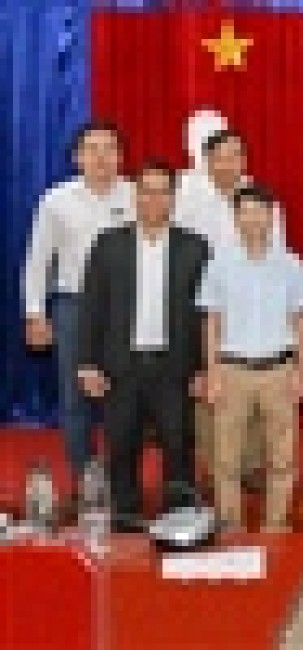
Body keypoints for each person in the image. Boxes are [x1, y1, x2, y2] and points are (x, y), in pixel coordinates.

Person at [76, 160, 210, 532]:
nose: (153, 199)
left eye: (162, 192)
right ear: (135, 195)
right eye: (146, 191)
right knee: (121, 447)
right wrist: (87, 363)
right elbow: (92, 307)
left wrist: (204, 367)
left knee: (178, 447)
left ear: (173, 197)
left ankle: (180, 522)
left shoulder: (195, 247)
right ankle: (125, 522)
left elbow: (205, 315)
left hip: (175, 367)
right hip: (121, 366)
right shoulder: (108, 244)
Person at [23, 121, 134, 507]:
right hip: (74, 306)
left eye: (110, 148)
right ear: (77, 157)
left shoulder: (137, 196)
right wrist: (35, 314)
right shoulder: (56, 201)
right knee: (76, 400)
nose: (102, 157)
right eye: (92, 149)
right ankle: (86, 485)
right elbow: (38, 261)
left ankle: (122, 485)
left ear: (121, 156)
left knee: (124, 398)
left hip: (126, 309)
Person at [197, 185, 303, 533]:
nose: (252, 219)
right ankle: (230, 527)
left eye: (259, 211)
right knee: (226, 459)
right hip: (232, 370)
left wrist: (300, 371)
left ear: (271, 216)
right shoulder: (218, 265)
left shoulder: (291, 265)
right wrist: (212, 372)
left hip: (279, 370)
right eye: (244, 211)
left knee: (282, 457)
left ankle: (275, 526)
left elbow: (300, 322)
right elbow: (211, 322)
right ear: (235, 218)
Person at [174, 127, 286, 483]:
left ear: (244, 160)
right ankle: (213, 464)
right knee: (209, 384)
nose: (226, 164)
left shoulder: (264, 202)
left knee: (253, 379)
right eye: (218, 157)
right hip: (201, 305)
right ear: (206, 161)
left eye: (234, 156)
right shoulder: (187, 201)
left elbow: (277, 259)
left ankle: (251, 464)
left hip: (253, 307)